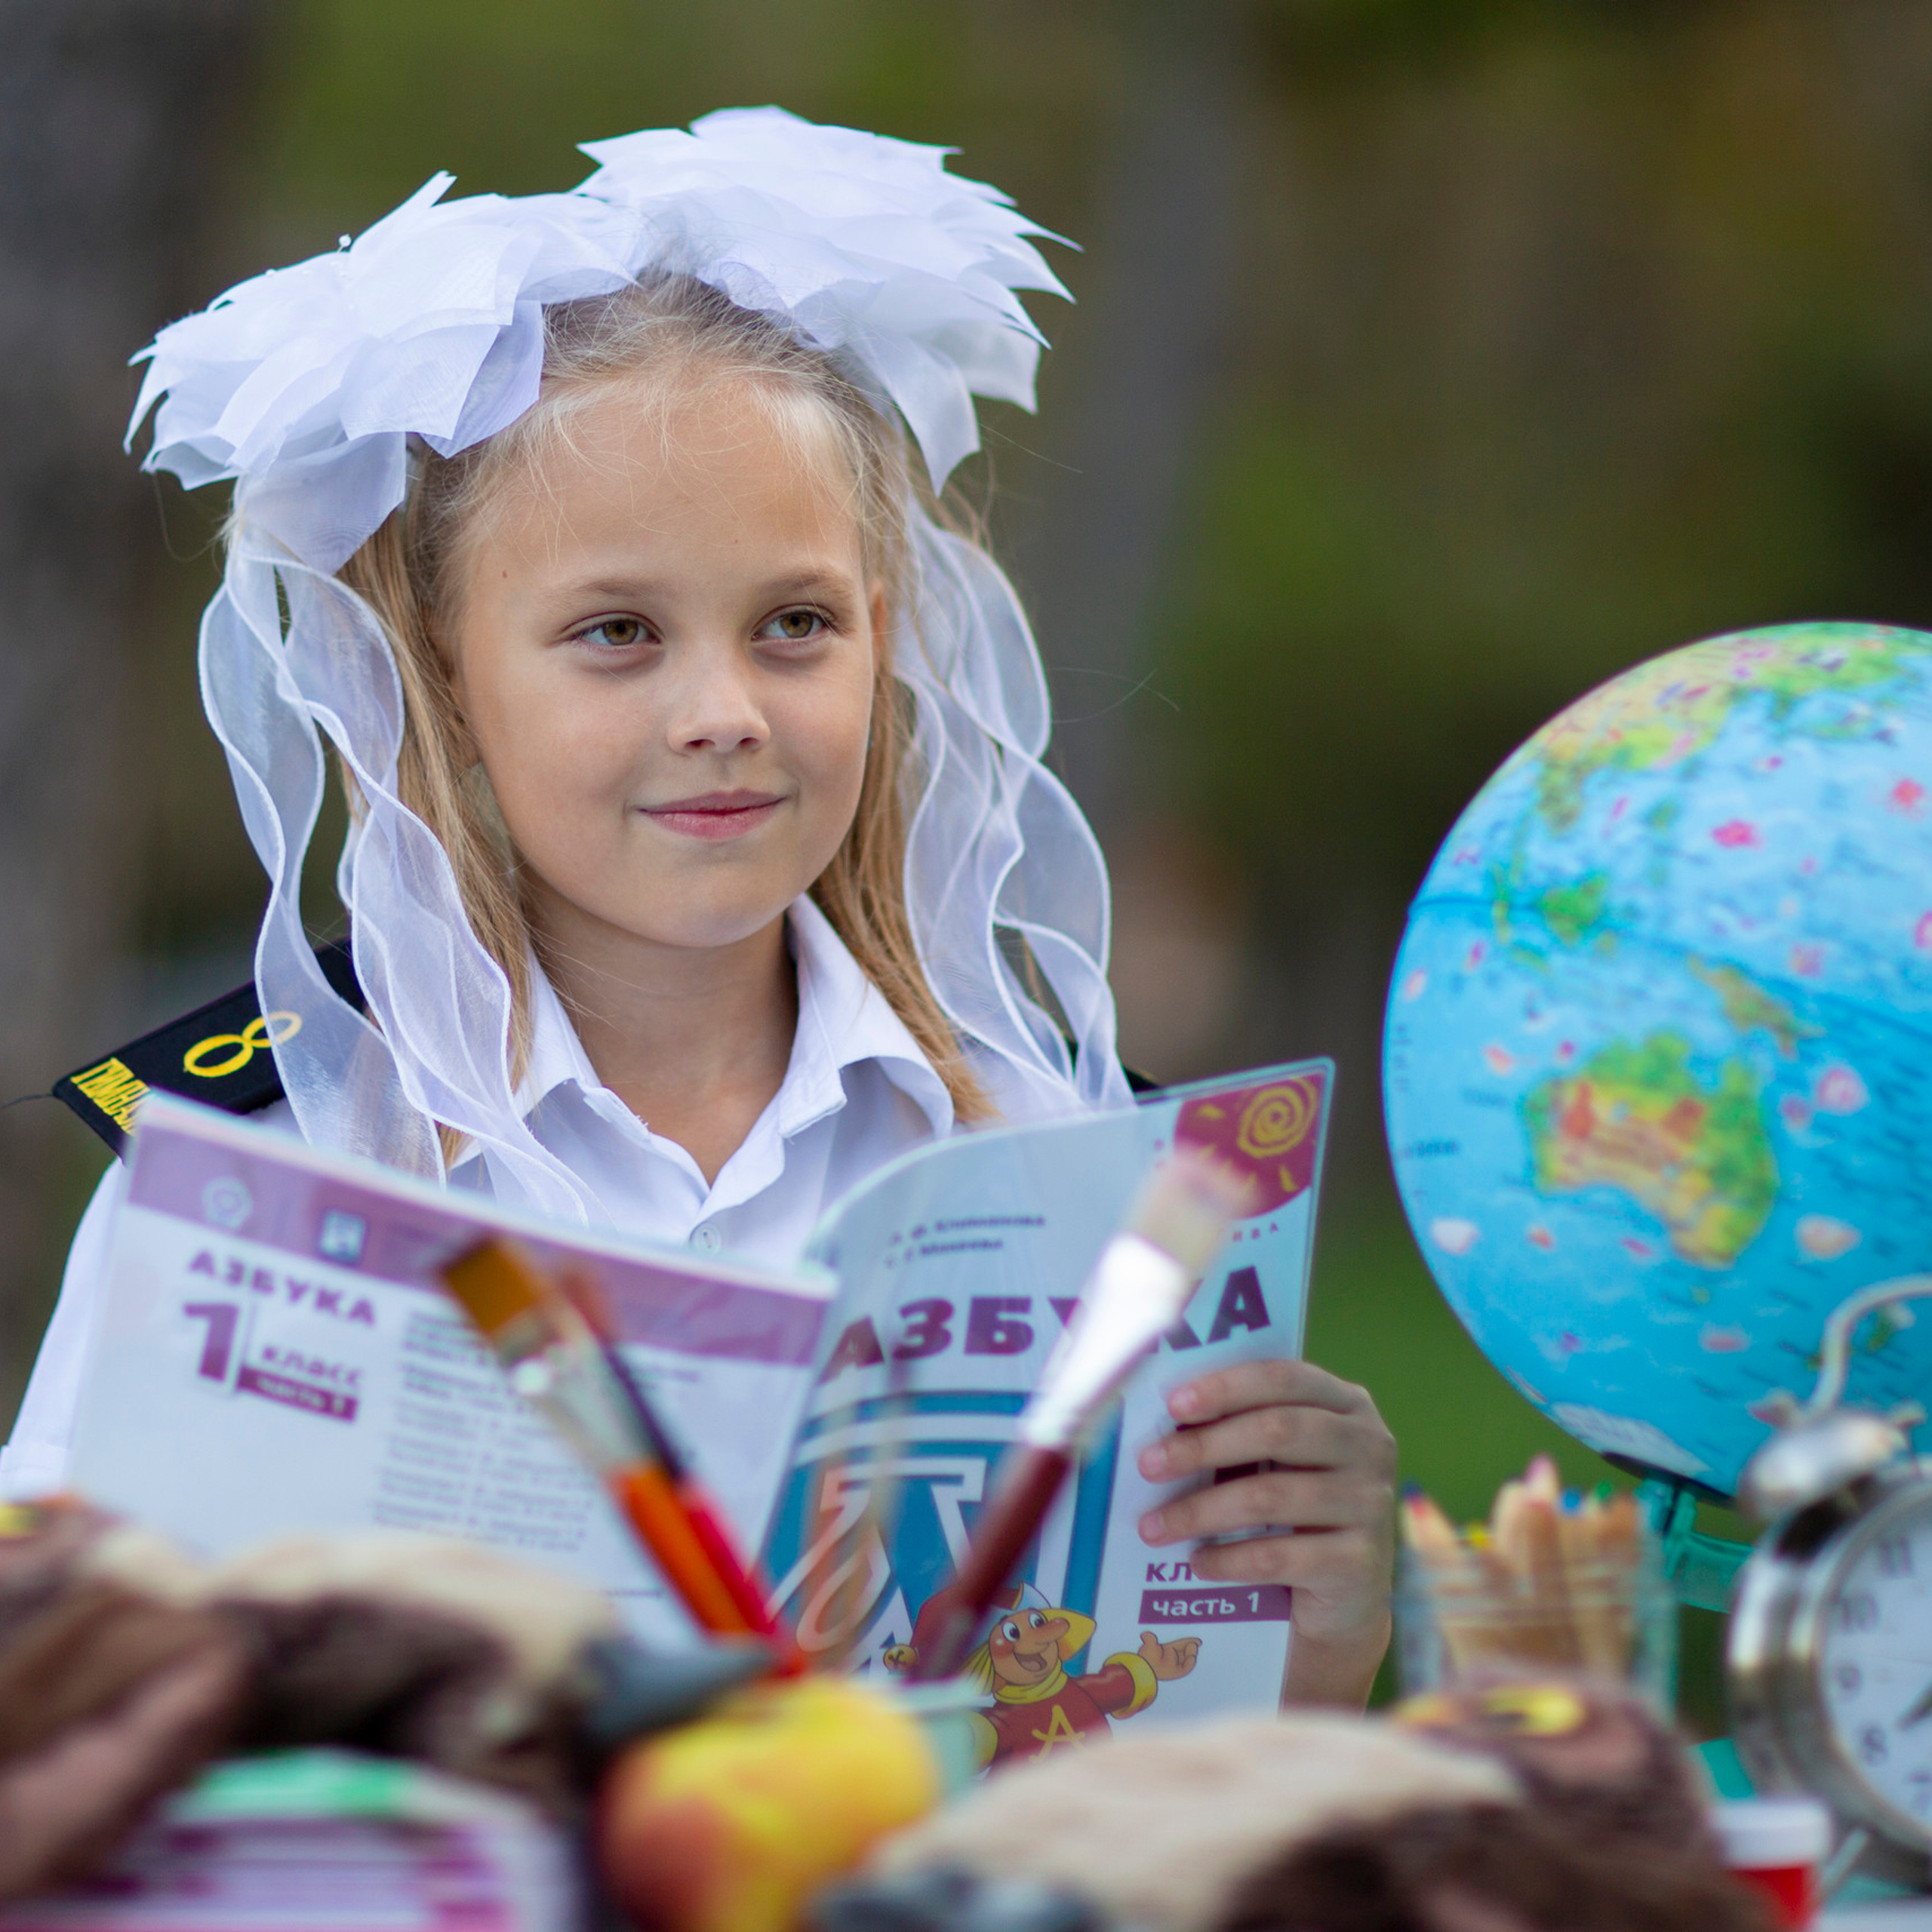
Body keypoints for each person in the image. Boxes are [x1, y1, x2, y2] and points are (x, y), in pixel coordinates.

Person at [0, 109, 1395, 1705]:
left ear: (887, 639)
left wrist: (1321, 1623)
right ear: (439, 680)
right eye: (615, 632)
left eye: (794, 623)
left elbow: (1214, 1770)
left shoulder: (1054, 1146)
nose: (724, 705)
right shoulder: (262, 1160)